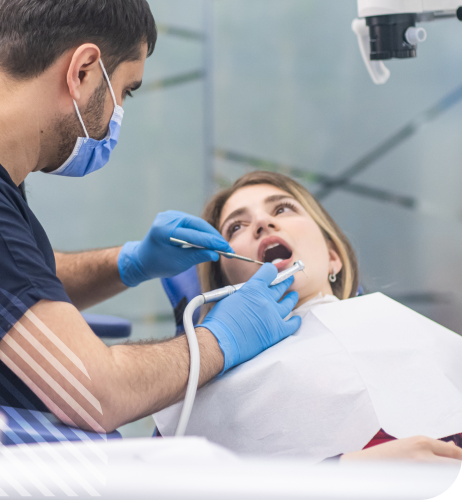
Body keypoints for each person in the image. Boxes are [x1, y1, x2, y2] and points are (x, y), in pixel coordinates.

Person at [0, 0, 301, 452]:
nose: (118, 114)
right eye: (125, 90)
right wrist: (222, 338)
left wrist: (128, 263)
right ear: (83, 70)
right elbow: (93, 394)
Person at [154, 171, 462, 464]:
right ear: (225, 285)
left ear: (333, 256)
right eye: (236, 227)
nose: (262, 222)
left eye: (283, 208)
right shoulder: (198, 401)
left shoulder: (412, 333)